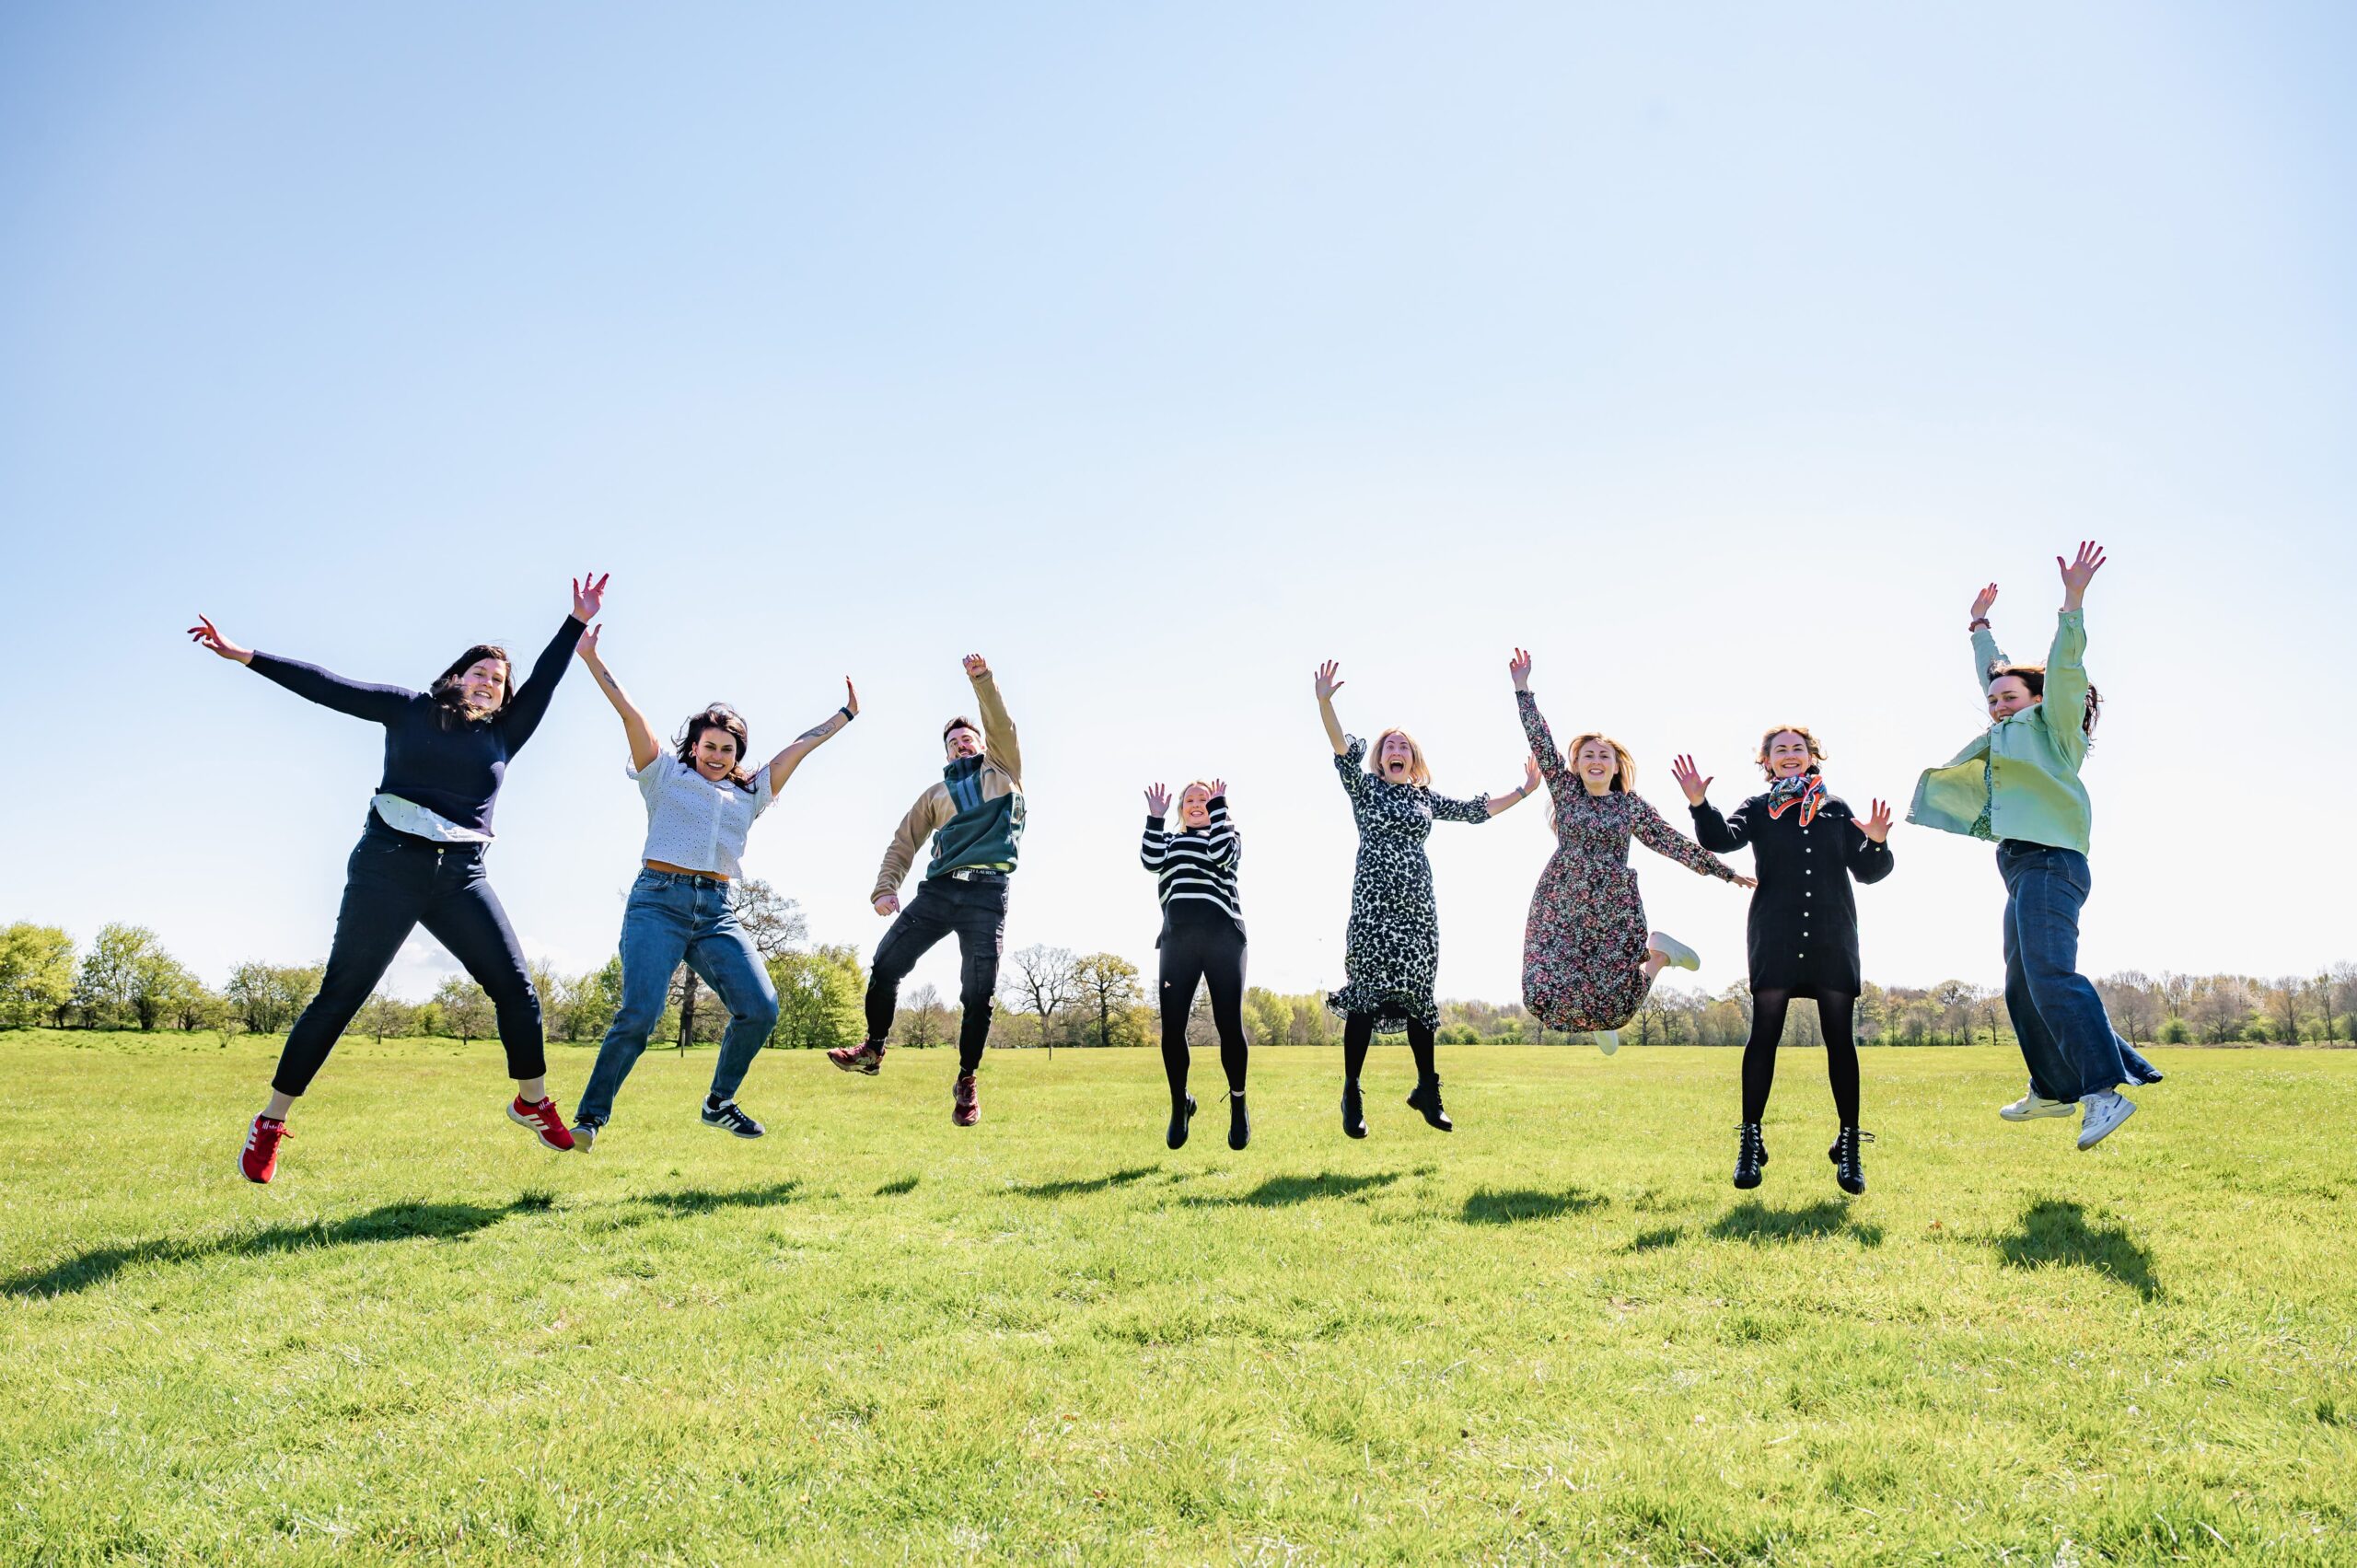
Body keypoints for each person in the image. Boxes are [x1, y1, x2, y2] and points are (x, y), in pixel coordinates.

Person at [189, 574, 607, 1184]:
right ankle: (271, 1122)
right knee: (341, 995)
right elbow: (327, 686)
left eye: (499, 679)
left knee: (518, 989)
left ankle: (531, 1099)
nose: (490, 683)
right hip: (389, 864)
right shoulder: (409, 709)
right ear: (457, 676)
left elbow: (545, 678)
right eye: (480, 672)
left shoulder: (505, 735)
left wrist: (574, 621)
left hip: (461, 874)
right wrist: (245, 655)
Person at [1909, 541, 2161, 1151]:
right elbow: (1993, 672)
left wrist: (2071, 602)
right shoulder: (2006, 730)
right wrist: (1978, 628)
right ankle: (2052, 1087)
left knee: (2050, 972)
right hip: (2022, 866)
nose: (1997, 706)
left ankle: (2104, 1089)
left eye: (2009, 699)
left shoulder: (2053, 731)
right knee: (2021, 983)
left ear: (2039, 702)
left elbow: (2066, 667)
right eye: (1993, 702)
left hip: (2053, 861)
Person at [565, 624, 857, 1148]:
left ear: (738, 752)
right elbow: (631, 715)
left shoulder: (750, 794)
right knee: (641, 1013)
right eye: (709, 746)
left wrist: (846, 715)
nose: (717, 755)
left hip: (716, 910)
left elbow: (798, 749)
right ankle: (589, 1118)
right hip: (658, 902)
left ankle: (719, 1102)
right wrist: (590, 656)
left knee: (761, 1007)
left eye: (728, 748)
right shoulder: (663, 776)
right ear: (694, 746)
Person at [1316, 659, 1540, 1138]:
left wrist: (1524, 789)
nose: (1396, 751)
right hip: (1374, 908)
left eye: (1404, 748)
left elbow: (1476, 810)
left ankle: (1427, 1090)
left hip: (1418, 909)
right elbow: (1339, 747)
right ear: (1379, 759)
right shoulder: (1365, 788)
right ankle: (1352, 1094)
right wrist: (1324, 702)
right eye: (1389, 747)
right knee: (1366, 996)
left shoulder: (1426, 798)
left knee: (1419, 998)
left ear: (1414, 761)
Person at [1674, 727, 1894, 1194]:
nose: (1790, 756)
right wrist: (1698, 803)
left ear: (1813, 757)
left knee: (1840, 1038)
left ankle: (1849, 1143)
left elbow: (1870, 872)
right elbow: (1721, 839)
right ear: (1767, 762)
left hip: (1833, 933)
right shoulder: (1757, 808)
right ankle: (1751, 1141)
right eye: (1780, 750)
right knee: (1765, 1035)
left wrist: (1875, 841)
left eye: (1798, 749)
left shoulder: (1836, 809)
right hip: (1775, 931)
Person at [1509, 649, 1753, 1060]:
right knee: (1542, 992)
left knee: (1618, 1005)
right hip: (1562, 900)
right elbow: (1540, 739)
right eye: (1588, 755)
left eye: (1604, 755)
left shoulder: (1630, 806)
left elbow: (1673, 842)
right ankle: (1596, 1021)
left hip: (1613, 903)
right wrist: (1522, 688)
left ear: (1617, 766)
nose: (1596, 760)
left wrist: (1724, 872)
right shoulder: (1566, 791)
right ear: (1576, 765)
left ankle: (1657, 954)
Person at [828, 655, 1023, 1127]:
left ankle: (967, 1081)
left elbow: (1000, 722)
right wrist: (884, 890)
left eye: (967, 739)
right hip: (938, 893)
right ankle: (873, 1048)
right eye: (953, 742)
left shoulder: (1004, 770)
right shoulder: (935, 794)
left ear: (981, 743)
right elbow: (903, 842)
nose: (961, 745)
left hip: (986, 895)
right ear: (946, 751)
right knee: (885, 964)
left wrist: (982, 680)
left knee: (979, 993)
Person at [1140, 779, 1248, 1150]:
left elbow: (1221, 855)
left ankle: (1238, 1104)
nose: (1198, 803)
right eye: (1191, 799)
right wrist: (1155, 820)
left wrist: (1221, 812)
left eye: (1206, 798)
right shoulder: (1169, 842)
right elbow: (1149, 860)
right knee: (1172, 1029)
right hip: (1178, 940)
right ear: (1181, 809)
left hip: (1223, 937)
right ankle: (1179, 1104)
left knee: (1229, 1025)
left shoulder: (1229, 835)